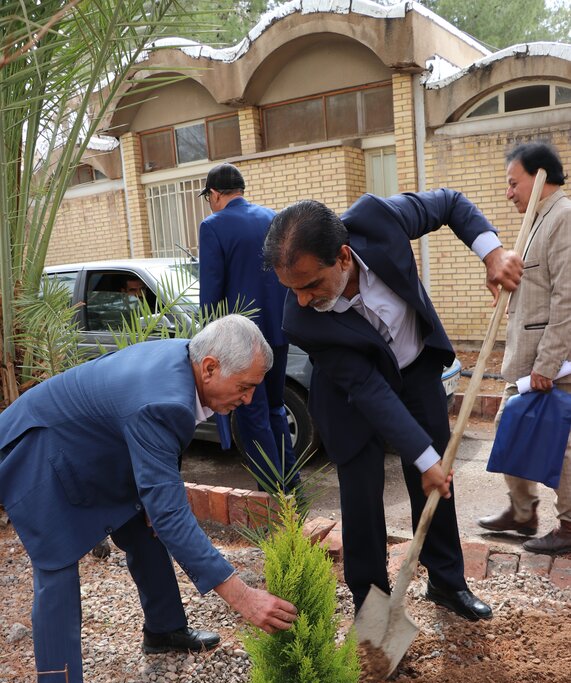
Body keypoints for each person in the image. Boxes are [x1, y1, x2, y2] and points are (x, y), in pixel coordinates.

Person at [0, 315, 297, 683]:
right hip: (41, 452)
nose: (250, 398)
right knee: (57, 568)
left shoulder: (188, 363)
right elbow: (172, 511)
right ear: (211, 367)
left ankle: (163, 630)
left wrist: (157, 502)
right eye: (246, 386)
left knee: (145, 526)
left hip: (96, 448)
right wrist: (243, 597)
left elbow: (162, 486)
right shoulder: (163, 398)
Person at [263, 192, 523, 621]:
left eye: (310, 284)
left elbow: (451, 205)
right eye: (292, 289)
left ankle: (446, 581)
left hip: (416, 368)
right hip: (352, 399)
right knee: (362, 501)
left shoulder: (376, 220)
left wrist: (491, 253)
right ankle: (374, 610)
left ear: (343, 256)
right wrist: (424, 458)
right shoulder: (301, 319)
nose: (303, 299)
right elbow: (366, 388)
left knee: (438, 484)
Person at [478, 142, 571, 553]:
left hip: (552, 362)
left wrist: (548, 364)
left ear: (540, 177)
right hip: (526, 359)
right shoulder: (538, 221)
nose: (509, 192)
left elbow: (567, 298)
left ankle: (569, 526)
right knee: (511, 429)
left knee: (561, 441)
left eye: (513, 183)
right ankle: (522, 511)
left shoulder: (564, 218)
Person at [199, 163, 298, 490]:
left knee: (251, 416)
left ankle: (274, 498)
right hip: (279, 331)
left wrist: (208, 342)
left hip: (240, 341)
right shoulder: (272, 217)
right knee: (275, 409)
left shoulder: (212, 226)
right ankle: (292, 489)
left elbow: (211, 292)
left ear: (214, 194)